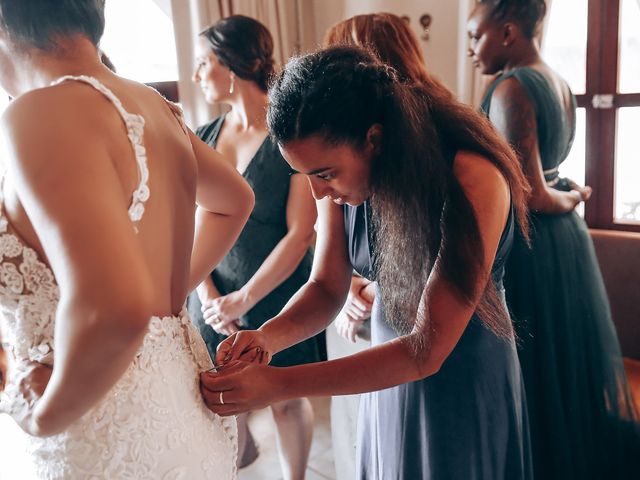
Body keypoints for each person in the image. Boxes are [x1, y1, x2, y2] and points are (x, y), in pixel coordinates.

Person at [200, 43, 534, 479]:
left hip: (459, 370)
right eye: (306, 177)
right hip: (385, 367)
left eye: (324, 174)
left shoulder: (472, 177)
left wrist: (279, 384)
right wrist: (267, 339)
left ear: (374, 139)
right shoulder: (338, 182)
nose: (318, 193)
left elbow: (426, 351)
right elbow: (326, 287)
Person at [0, 1, 255, 478]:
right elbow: (234, 200)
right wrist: (170, 291)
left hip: (97, 426)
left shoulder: (39, 112)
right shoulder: (151, 104)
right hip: (184, 405)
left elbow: (115, 309)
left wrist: (45, 415)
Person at [467, 1, 639, 478]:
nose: (469, 49)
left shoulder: (512, 87)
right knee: (560, 364)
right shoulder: (557, 81)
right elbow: (549, 177)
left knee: (533, 366)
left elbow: (530, 194)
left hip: (532, 246)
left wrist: (572, 197)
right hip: (564, 244)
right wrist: (572, 192)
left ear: (506, 32)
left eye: (475, 35)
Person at [189, 15, 319, 478]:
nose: (197, 74)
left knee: (283, 398)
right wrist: (209, 297)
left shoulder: (288, 131)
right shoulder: (201, 138)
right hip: (210, 299)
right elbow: (189, 226)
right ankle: (239, 467)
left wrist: (245, 299)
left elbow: (300, 233)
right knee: (224, 399)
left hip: (276, 293)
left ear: (229, 64)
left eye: (203, 63)